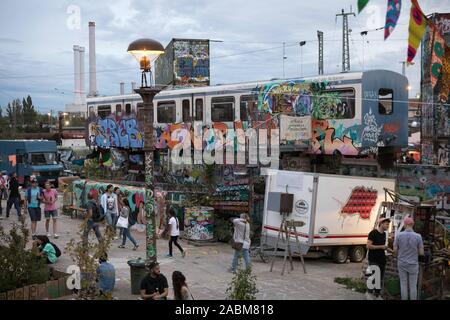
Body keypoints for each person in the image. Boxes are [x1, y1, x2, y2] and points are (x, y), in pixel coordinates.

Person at [393, 217, 425, 300]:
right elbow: (421, 253)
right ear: (412, 225)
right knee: (413, 285)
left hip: (402, 263)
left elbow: (395, 250)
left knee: (403, 284)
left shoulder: (399, 235)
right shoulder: (418, 236)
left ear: (405, 224)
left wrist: (397, 256)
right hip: (413, 264)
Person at [366, 217, 391, 300]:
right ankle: (369, 293)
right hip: (373, 259)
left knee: (379, 278)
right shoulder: (373, 233)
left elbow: (384, 247)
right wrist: (381, 247)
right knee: (373, 277)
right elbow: (368, 246)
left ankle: (377, 295)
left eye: (388, 224)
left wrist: (392, 251)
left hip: (381, 259)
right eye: (387, 224)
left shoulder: (384, 234)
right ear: (381, 224)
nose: (388, 225)